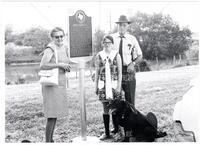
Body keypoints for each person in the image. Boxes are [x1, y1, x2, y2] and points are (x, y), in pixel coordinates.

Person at [111, 15, 143, 140]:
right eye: (120, 25)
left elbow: (140, 55)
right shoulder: (111, 38)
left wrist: (133, 63)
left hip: (128, 71)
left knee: (129, 102)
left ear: (127, 26)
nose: (122, 27)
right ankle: (116, 130)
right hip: (115, 72)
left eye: (124, 25)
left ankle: (130, 131)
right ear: (117, 25)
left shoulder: (132, 38)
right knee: (115, 102)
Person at [40, 27, 71, 142]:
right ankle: (48, 141)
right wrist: (60, 65)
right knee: (51, 115)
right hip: (51, 85)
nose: (59, 38)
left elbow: (64, 63)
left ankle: (51, 140)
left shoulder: (63, 47)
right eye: (56, 37)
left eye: (61, 36)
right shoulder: (50, 48)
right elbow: (43, 65)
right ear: (52, 38)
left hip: (60, 84)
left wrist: (65, 67)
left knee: (55, 114)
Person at [95, 35, 122, 140]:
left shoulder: (116, 55)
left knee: (115, 108)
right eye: (105, 42)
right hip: (103, 85)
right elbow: (97, 71)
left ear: (112, 43)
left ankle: (116, 130)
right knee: (105, 108)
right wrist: (96, 86)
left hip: (114, 85)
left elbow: (120, 72)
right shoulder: (99, 55)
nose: (107, 44)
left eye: (109, 42)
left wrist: (119, 86)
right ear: (102, 44)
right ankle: (107, 133)